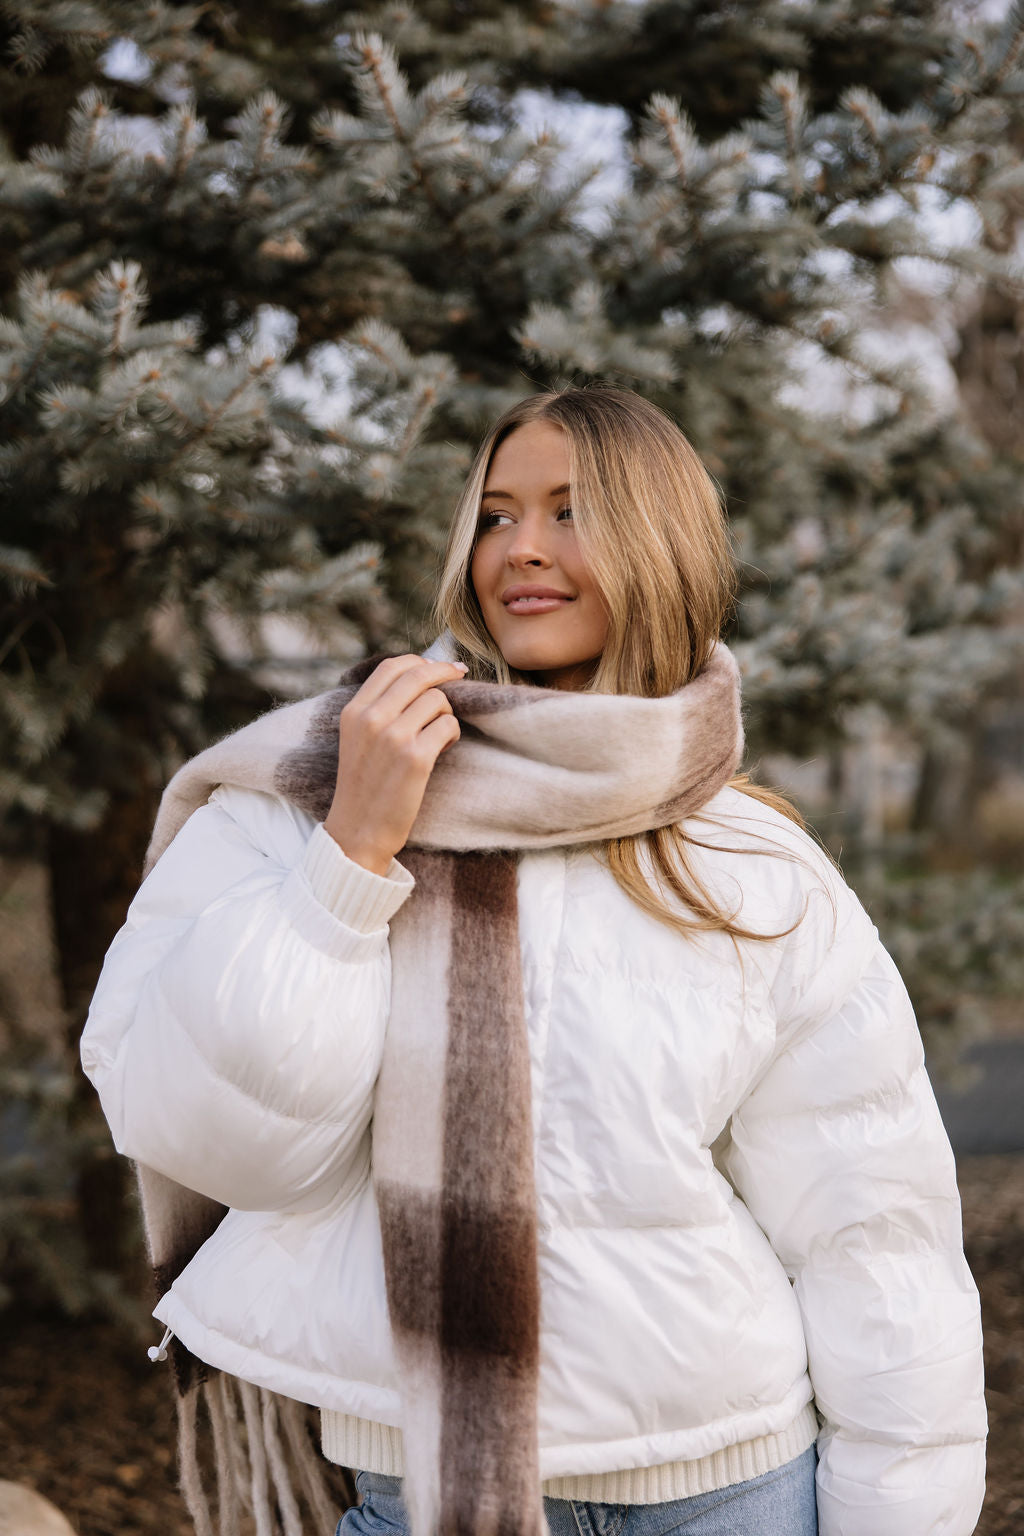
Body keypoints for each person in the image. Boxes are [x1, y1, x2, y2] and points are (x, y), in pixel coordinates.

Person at [81, 385, 986, 1536]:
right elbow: (213, 1137)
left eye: (571, 511)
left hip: (732, 1490)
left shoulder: (751, 861)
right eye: (497, 515)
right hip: (421, 1495)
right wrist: (352, 855)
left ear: (659, 544)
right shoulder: (307, 793)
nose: (522, 548)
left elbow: (873, 1234)